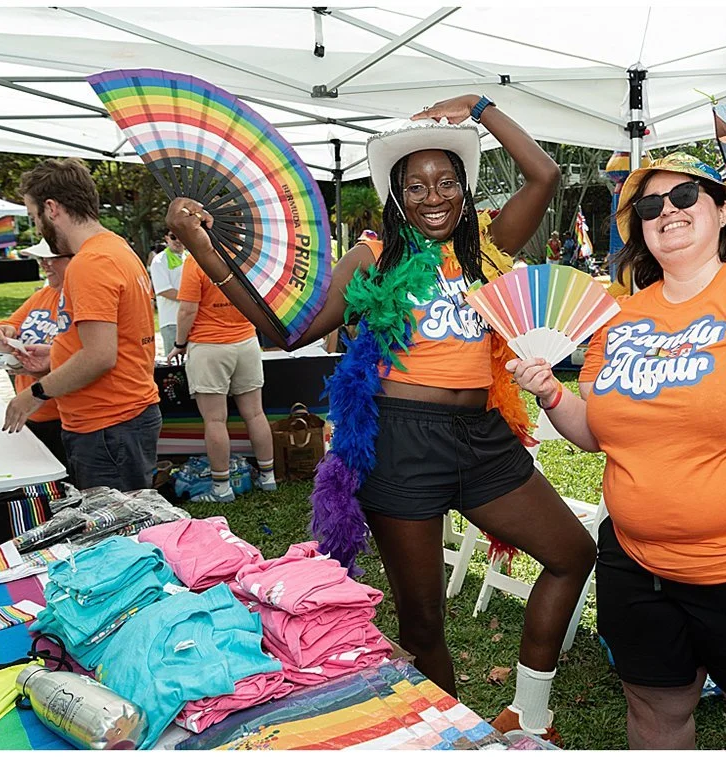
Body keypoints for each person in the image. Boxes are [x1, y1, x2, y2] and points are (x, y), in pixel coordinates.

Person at [168, 95, 589, 742]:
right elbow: (292, 331)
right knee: (422, 626)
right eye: (416, 184)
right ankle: (452, 740)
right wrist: (205, 248)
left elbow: (545, 176)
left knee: (572, 552)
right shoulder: (373, 257)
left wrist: (482, 107)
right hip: (399, 443)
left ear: (465, 187)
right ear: (396, 194)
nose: (433, 196)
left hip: (483, 438)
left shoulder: (490, 245)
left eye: (447, 181)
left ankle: (529, 714)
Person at [508, 154, 726, 749]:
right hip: (638, 567)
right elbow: (596, 431)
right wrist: (550, 394)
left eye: (684, 198)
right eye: (650, 207)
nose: (667, 213)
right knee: (653, 712)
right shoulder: (618, 317)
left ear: (722, 210)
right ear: (640, 228)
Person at [2, 158, 161, 493]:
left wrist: (35, 394)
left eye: (35, 219)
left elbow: (100, 355)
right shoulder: (115, 248)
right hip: (120, 420)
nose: (38, 229)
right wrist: (56, 354)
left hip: (108, 425)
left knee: (115, 535)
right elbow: (112, 338)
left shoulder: (90, 262)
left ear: (52, 208)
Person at [165, 254, 276, 502]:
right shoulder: (243, 254)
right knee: (255, 413)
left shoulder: (197, 260)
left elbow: (187, 310)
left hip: (209, 345)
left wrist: (179, 344)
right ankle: (268, 477)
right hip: (246, 342)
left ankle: (221, 487)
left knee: (215, 420)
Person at [0, 241, 74, 470]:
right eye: (40, 259)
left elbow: (85, 359)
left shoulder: (77, 299)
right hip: (31, 413)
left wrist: (46, 368)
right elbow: (9, 324)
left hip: (62, 416)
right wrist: (1, 333)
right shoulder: (44, 295)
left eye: (50, 258)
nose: (44, 264)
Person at [148, 233, 188, 354]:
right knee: (176, 368)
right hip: (172, 322)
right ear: (166, 238)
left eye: (181, 235)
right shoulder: (159, 260)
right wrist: (192, 299)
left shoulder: (190, 257)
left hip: (192, 320)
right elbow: (164, 290)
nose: (178, 240)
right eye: (173, 236)